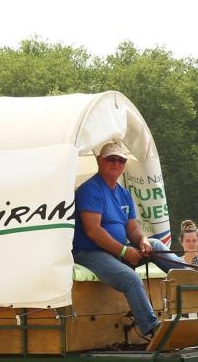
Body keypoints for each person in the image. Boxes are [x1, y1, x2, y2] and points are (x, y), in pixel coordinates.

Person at [72, 141, 190, 340]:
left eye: (121, 160)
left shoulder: (123, 193)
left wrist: (143, 240)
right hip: (90, 253)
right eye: (111, 159)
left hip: (115, 252)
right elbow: (93, 231)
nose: (116, 163)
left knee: (156, 245)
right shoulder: (90, 189)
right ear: (99, 161)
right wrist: (124, 251)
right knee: (131, 279)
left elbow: (133, 229)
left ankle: (194, 280)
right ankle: (153, 330)